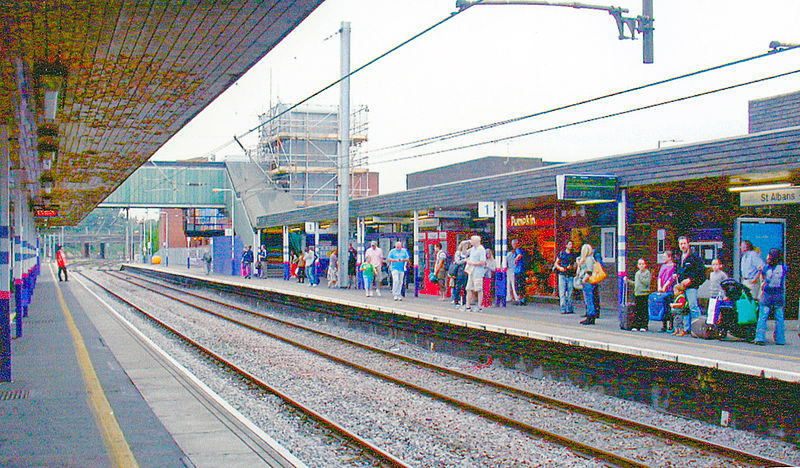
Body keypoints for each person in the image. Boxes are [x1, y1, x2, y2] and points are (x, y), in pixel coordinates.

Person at [673, 236, 705, 337]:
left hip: (691, 287)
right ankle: (687, 328)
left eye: (684, 243)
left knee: (693, 306)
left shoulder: (694, 257)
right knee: (684, 308)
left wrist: (691, 280)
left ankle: (698, 328)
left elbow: (702, 273)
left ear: (688, 244)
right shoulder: (679, 257)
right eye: (681, 244)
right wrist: (675, 274)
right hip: (681, 287)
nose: (682, 246)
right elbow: (677, 269)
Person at [755, 248, 786, 346]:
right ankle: (780, 339)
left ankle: (760, 337)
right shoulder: (783, 268)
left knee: (763, 317)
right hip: (779, 296)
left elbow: (763, 273)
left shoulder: (766, 268)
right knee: (779, 318)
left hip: (767, 296)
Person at [627, 258, 652, 331]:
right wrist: (628, 281)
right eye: (640, 264)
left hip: (644, 293)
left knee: (643, 310)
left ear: (645, 265)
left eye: (643, 264)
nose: (641, 266)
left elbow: (646, 282)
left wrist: (640, 276)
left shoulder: (647, 273)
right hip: (637, 293)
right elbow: (636, 283)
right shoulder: (637, 273)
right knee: (637, 310)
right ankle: (637, 324)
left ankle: (644, 325)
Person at [464, 235, 487, 312]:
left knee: (479, 289)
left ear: (476, 241)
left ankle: (480, 306)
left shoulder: (481, 249)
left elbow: (483, 262)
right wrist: (463, 245)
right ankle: (468, 306)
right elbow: (464, 253)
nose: (470, 241)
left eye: (472, 240)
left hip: (478, 272)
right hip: (471, 272)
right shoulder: (472, 249)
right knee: (468, 288)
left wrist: (472, 263)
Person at [553, 240, 577, 315]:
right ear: (566, 245)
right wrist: (561, 268)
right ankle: (563, 308)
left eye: (572, 244)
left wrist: (572, 267)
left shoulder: (573, 255)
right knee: (562, 292)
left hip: (570, 275)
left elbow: (576, 265)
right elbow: (556, 263)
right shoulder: (562, 254)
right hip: (562, 274)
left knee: (570, 292)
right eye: (569, 244)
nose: (571, 246)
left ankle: (570, 308)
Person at [576, 244, 598, 325]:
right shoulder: (589, 258)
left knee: (589, 299)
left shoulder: (589, 259)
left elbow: (589, 271)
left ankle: (590, 316)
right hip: (588, 281)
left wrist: (584, 279)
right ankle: (590, 315)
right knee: (588, 298)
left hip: (587, 281)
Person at [656, 250, 676, 333]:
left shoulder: (673, 266)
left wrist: (665, 286)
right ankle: (664, 325)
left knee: (669, 308)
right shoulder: (663, 266)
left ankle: (671, 326)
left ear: (670, 257)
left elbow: (671, 278)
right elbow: (660, 277)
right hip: (663, 290)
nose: (663, 258)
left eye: (665, 256)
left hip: (669, 290)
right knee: (663, 307)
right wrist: (659, 286)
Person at [451, 240, 470, 308]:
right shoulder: (458, 253)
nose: (466, 247)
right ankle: (457, 300)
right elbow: (457, 261)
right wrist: (465, 260)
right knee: (458, 286)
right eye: (465, 245)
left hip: (466, 271)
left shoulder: (468, 253)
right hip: (459, 271)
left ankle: (465, 301)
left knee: (465, 287)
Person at [511, 239, 527, 305]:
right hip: (520, 270)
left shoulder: (517, 250)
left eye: (514, 244)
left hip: (518, 270)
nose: (513, 245)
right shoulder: (520, 250)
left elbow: (519, 255)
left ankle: (520, 299)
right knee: (521, 285)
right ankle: (522, 299)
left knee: (518, 285)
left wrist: (515, 260)